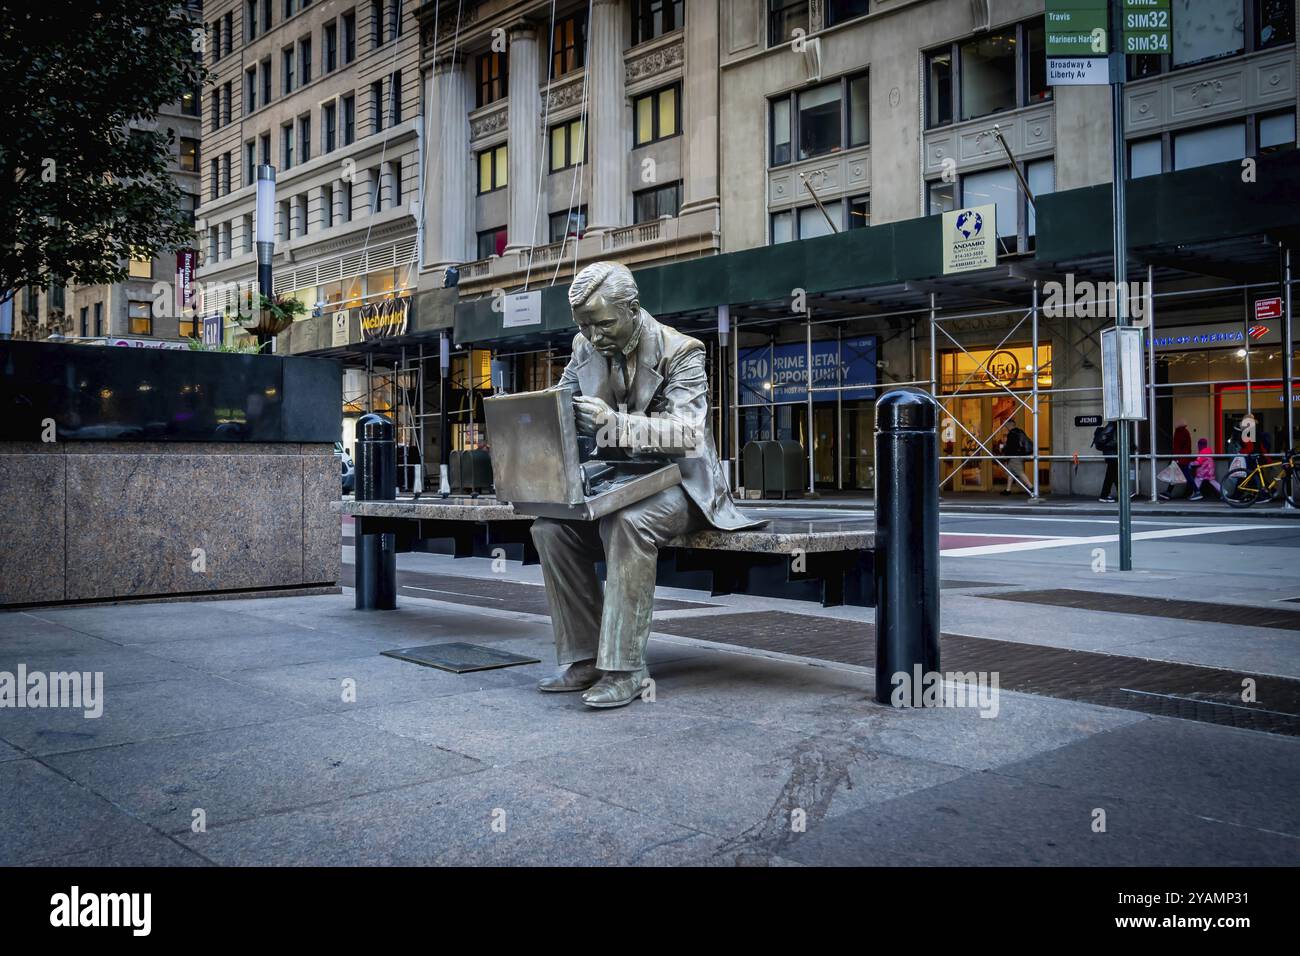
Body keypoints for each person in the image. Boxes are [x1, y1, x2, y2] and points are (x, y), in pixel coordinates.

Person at [529, 261, 762, 709]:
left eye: (602, 324)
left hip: (682, 484)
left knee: (628, 524)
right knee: (549, 529)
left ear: (633, 309)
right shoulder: (584, 345)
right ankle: (585, 658)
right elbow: (558, 406)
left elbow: (687, 432)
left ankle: (625, 669)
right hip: (617, 480)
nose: (594, 337)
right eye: (584, 326)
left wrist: (616, 424)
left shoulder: (683, 351)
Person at [999, 420, 1032, 495]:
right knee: (1010, 473)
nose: (1005, 427)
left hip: (1014, 456)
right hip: (1019, 455)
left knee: (1019, 472)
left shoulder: (1012, 434)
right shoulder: (1019, 432)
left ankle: (1031, 488)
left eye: (1006, 425)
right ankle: (1008, 490)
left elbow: (1011, 447)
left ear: (1009, 425)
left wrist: (1003, 449)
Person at [1093, 420, 1119, 502]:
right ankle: (1104, 495)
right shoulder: (1112, 426)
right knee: (1112, 476)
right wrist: (1118, 444)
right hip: (1112, 455)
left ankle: (1105, 495)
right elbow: (1103, 441)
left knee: (1112, 476)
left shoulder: (1113, 426)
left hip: (1112, 455)